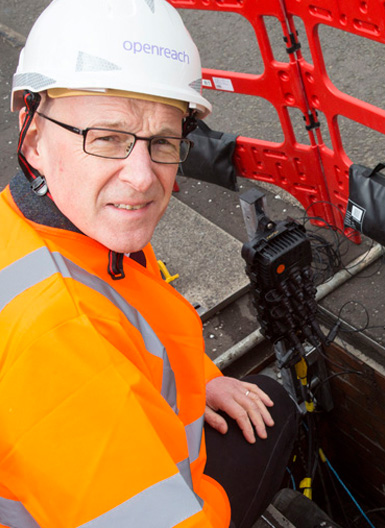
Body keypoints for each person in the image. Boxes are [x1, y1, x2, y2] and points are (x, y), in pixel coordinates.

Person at [0, 1, 297, 526]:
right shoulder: (59, 345)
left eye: (162, 141)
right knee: (277, 411)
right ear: (32, 136)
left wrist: (200, 377)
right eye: (108, 137)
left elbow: (140, 317)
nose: (142, 177)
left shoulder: (67, 226)